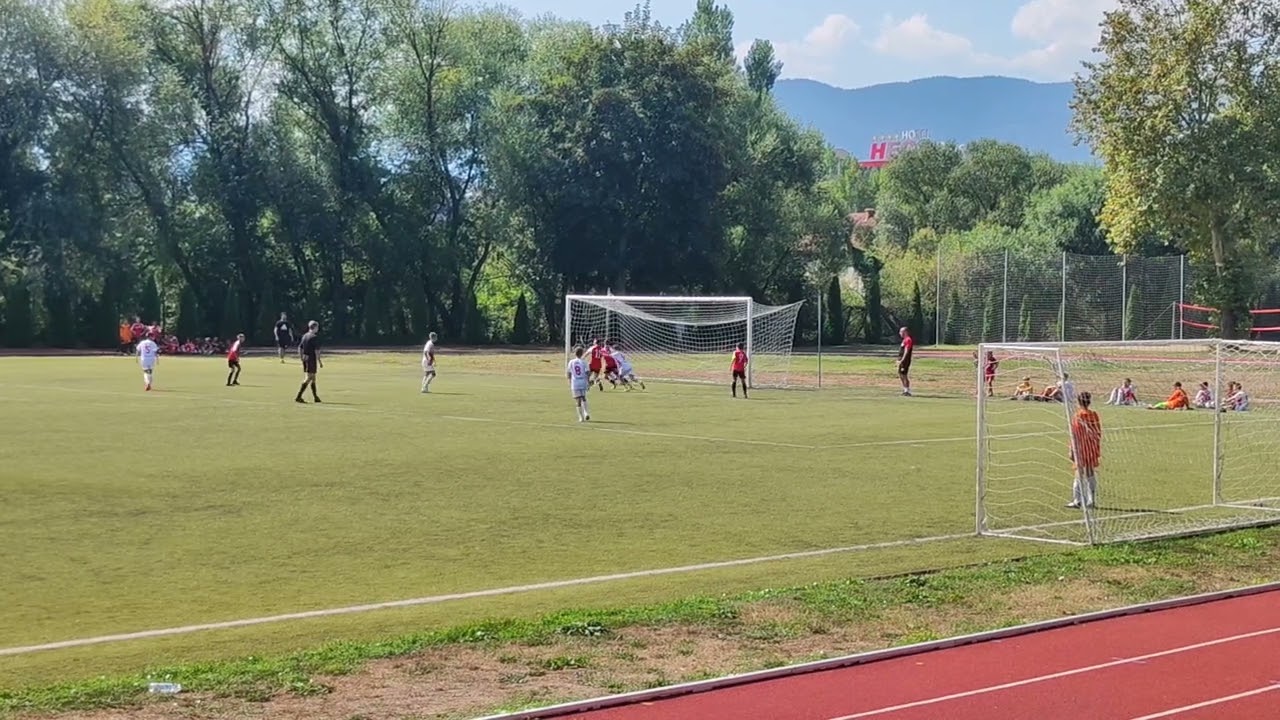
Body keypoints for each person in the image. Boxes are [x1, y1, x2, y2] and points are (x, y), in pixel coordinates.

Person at [1067, 391, 1102, 509]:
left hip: (1081, 447)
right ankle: (1091, 500)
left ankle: (1077, 500)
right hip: (1091, 446)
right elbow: (1098, 431)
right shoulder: (1094, 415)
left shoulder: (1078, 415)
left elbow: (1075, 434)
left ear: (1078, 401)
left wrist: (1071, 449)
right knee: (1090, 472)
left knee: (1079, 473)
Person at [295, 320, 323, 404]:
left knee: (313, 377)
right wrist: (319, 361)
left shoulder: (304, 336)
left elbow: (300, 348)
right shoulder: (314, 337)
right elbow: (317, 350)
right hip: (311, 359)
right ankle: (298, 396)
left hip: (305, 358)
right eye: (317, 327)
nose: (318, 329)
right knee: (309, 377)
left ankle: (315, 397)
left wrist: (301, 357)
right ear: (314, 327)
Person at [566, 345, 590, 422]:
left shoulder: (571, 362)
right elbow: (587, 372)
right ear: (582, 353)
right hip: (582, 381)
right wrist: (588, 381)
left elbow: (569, 373)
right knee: (583, 397)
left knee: (577, 400)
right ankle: (586, 413)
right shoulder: (583, 362)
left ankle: (581, 417)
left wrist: (569, 381)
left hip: (575, 382)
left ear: (575, 353)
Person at [896, 327, 913, 396]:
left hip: (905, 360)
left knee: (904, 374)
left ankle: (907, 391)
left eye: (901, 332)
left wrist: (903, 360)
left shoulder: (908, 340)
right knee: (901, 374)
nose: (900, 333)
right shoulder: (904, 340)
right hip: (901, 360)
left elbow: (906, 350)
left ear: (905, 332)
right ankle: (905, 389)